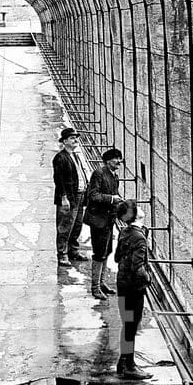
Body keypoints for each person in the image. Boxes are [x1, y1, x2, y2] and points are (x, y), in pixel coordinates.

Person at [114, 199, 153, 380]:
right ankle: (128, 366)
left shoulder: (124, 231)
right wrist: (148, 278)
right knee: (132, 324)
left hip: (122, 283)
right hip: (133, 287)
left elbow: (116, 258)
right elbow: (138, 267)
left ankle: (124, 362)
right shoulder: (139, 237)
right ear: (136, 215)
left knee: (127, 324)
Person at [84, 147, 123, 299]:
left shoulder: (114, 176)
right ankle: (95, 288)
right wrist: (112, 199)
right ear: (108, 161)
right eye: (116, 159)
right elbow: (93, 195)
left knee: (106, 251)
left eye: (119, 158)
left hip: (108, 221)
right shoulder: (99, 173)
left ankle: (101, 283)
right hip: (99, 220)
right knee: (99, 253)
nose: (119, 161)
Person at [52, 127, 87, 266]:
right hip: (69, 197)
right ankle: (62, 254)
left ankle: (73, 250)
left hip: (79, 195)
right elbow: (59, 180)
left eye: (76, 138)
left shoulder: (75, 155)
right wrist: (64, 198)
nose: (76, 140)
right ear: (65, 141)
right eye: (72, 138)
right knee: (65, 226)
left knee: (77, 225)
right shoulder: (60, 158)